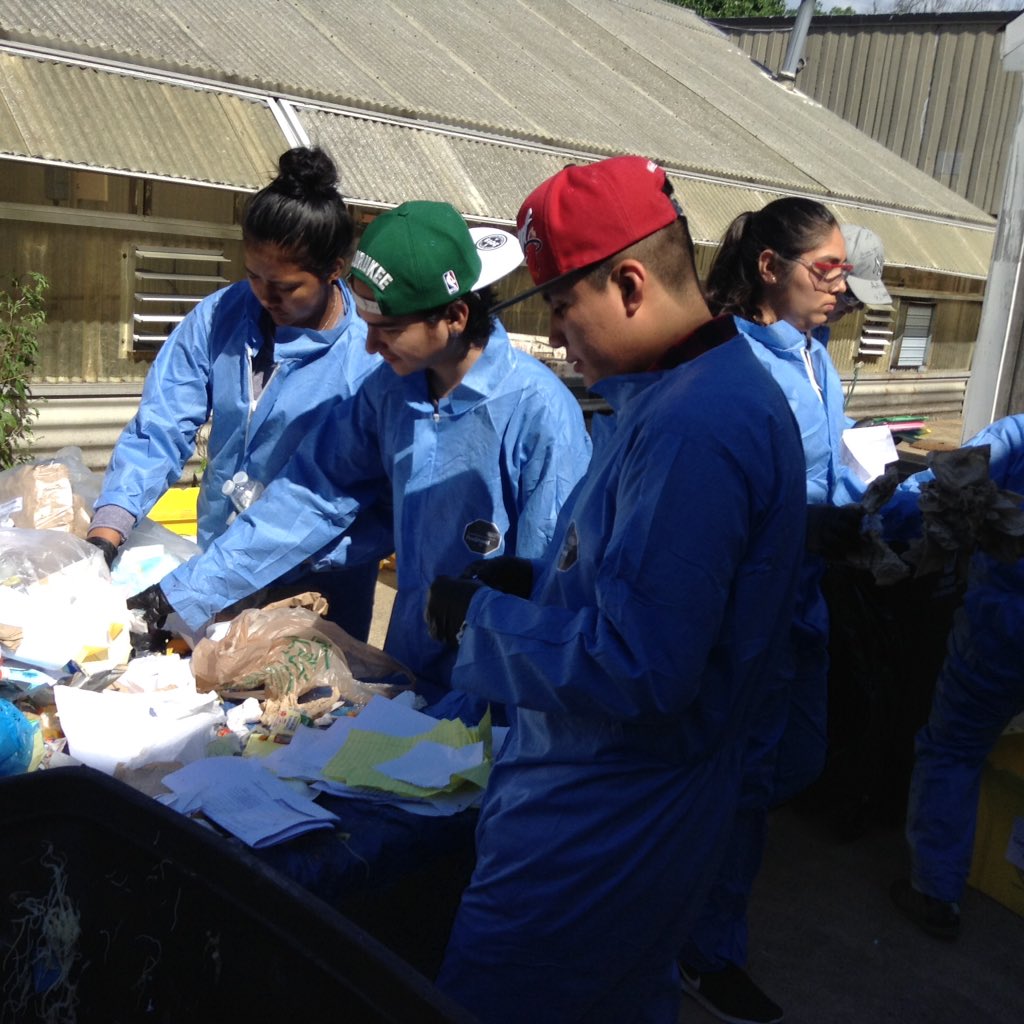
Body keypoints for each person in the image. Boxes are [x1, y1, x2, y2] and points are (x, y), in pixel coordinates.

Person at [424, 155, 807, 1023]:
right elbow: (641, 588)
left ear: (630, 283)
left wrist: (480, 624)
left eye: (562, 306)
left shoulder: (696, 427)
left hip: (603, 821)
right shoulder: (683, 393)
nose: (557, 337)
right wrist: (533, 582)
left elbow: (643, 665)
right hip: (620, 802)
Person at [138, 200, 591, 714]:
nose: (370, 345)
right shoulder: (389, 393)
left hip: (507, 687)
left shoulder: (539, 413)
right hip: (413, 669)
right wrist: (182, 594)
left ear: (455, 317)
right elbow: (311, 495)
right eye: (367, 322)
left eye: (388, 328)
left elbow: (556, 591)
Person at [676, 197, 865, 1024]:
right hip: (752, 618)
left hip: (807, 601)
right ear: (768, 267)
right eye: (824, 270)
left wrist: (893, 506)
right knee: (744, 780)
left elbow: (841, 468)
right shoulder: (732, 367)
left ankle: (703, 892)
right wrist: (805, 529)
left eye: (843, 271)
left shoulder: (817, 357)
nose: (838, 287)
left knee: (796, 762)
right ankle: (704, 950)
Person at [87, 146, 387, 641]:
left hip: (317, 580)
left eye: (286, 286)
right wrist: (110, 526)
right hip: (216, 561)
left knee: (306, 707)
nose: (265, 297)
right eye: (253, 276)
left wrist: (194, 588)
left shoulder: (367, 362)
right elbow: (163, 424)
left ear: (335, 270)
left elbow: (321, 503)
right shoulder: (222, 315)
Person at [889, 414, 1024, 940]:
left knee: (954, 749)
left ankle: (935, 893)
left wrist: (876, 514)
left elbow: (943, 489)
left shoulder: (1014, 435)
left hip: (1003, 627)